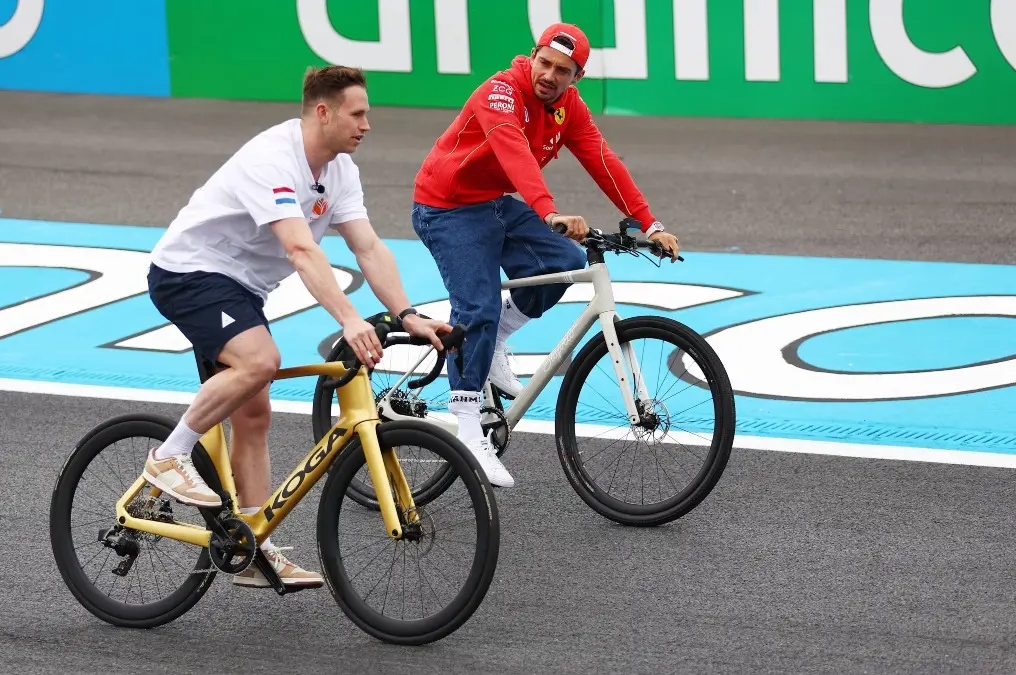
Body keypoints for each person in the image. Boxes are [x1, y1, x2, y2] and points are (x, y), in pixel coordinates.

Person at [144, 65, 454, 590]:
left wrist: (406, 313)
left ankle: (251, 548)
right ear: (323, 112)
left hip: (241, 288)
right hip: (190, 272)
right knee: (260, 362)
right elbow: (300, 248)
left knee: (255, 414)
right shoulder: (273, 159)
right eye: (358, 114)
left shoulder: (340, 171)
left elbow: (368, 247)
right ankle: (168, 456)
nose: (367, 125)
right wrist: (350, 319)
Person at [410, 23, 682, 488]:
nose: (550, 75)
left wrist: (648, 222)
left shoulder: (568, 107)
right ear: (531, 56)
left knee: (565, 265)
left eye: (564, 71)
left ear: (576, 78)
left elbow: (602, 160)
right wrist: (550, 212)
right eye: (545, 63)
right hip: (447, 207)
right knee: (475, 308)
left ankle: (495, 336)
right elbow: (514, 153)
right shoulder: (500, 90)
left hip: (493, 203)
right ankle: (469, 430)